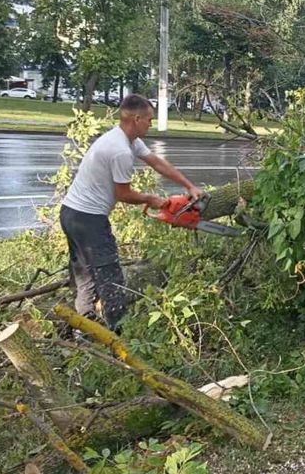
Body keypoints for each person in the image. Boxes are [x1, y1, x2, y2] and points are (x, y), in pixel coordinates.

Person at [60, 94, 202, 330]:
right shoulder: (120, 151)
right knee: (110, 279)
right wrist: (151, 199)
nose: (151, 124)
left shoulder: (127, 140)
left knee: (85, 277)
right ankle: (119, 338)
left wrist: (189, 186)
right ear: (136, 119)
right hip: (89, 220)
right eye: (149, 120)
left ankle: (83, 332)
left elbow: (157, 162)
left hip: (70, 213)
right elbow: (123, 195)